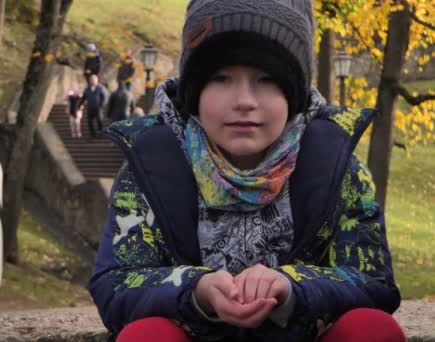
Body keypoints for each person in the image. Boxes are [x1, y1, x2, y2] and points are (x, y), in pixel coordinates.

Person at [87, 1, 406, 342]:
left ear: (293, 93)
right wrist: (197, 291)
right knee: (146, 335)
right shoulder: (149, 168)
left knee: (372, 330)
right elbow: (115, 284)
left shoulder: (338, 168)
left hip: (304, 334)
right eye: (221, 79)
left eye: (267, 79)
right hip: (194, 333)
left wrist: (290, 286)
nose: (244, 100)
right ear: (194, 92)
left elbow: (374, 283)